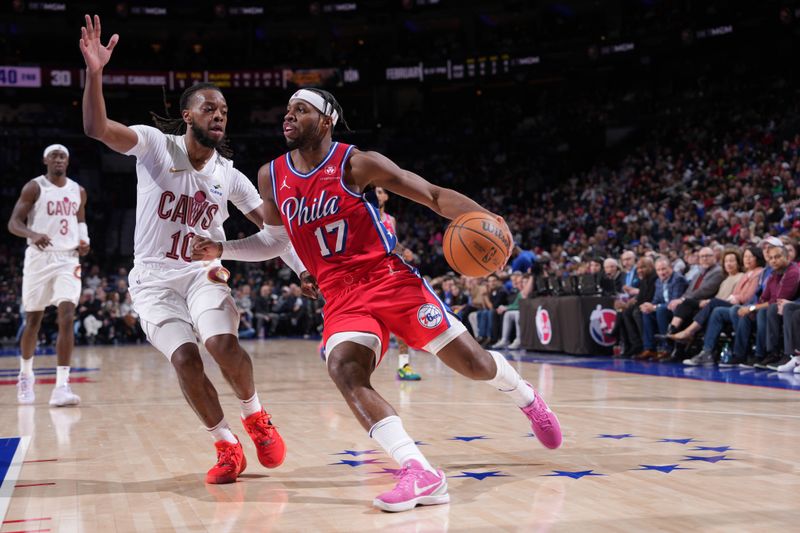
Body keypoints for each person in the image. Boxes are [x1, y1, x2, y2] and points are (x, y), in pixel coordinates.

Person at [192, 88, 562, 512]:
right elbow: (276, 239)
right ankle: (419, 470)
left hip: (388, 280)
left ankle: (527, 398)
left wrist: (486, 219)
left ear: (326, 121)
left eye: (301, 110)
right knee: (344, 369)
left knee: (474, 364)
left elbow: (434, 195)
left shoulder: (356, 162)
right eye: (288, 110)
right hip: (340, 295)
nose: (288, 117)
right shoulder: (270, 175)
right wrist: (225, 247)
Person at [79, 15, 310, 485]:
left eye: (223, 109)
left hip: (202, 272)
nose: (219, 114)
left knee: (221, 344)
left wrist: (303, 270)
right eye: (209, 107)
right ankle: (226, 445)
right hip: (151, 278)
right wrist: (95, 72)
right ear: (187, 115)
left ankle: (256, 416)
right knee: (185, 359)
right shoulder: (154, 145)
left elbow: (278, 228)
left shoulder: (230, 175)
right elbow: (97, 128)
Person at [8, 143, 90, 407]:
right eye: (54, 156)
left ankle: (62, 387)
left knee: (67, 315)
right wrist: (33, 234)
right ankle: (26, 374)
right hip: (39, 258)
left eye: (63, 156)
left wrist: (84, 240)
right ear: (45, 160)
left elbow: (80, 221)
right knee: (34, 320)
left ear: (68, 161)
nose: (58, 160)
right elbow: (14, 223)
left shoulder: (78, 190)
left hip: (68, 258)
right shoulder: (34, 187)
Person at [374, 186, 421, 381]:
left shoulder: (390, 220)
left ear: (386, 196)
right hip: (368, 273)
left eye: (379, 191)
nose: (377, 194)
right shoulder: (363, 214)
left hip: (390, 274)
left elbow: (393, 244)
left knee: (402, 320)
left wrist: (404, 251)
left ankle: (404, 365)